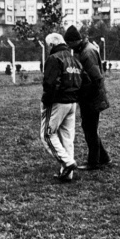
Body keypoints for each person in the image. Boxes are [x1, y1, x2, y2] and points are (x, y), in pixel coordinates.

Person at [63, 26, 111, 170]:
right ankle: (104, 158)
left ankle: (94, 162)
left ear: (73, 41)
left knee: (90, 129)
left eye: (68, 43)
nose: (68, 46)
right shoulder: (85, 49)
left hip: (92, 98)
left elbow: (95, 78)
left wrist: (84, 96)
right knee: (90, 128)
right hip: (91, 96)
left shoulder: (87, 52)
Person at [40, 33, 82, 182]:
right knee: (67, 137)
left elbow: (50, 84)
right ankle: (67, 173)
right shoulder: (74, 59)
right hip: (72, 102)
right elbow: (84, 80)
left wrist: (46, 101)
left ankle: (68, 163)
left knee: (47, 135)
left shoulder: (54, 58)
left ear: (52, 44)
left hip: (57, 102)